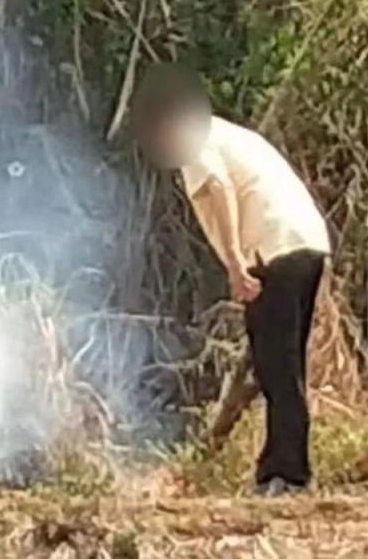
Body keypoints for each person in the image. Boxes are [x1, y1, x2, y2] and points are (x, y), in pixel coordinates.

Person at [131, 64, 331, 497]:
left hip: (273, 249)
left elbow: (219, 187)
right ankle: (280, 469)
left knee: (278, 370)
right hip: (306, 241)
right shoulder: (231, 134)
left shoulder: (192, 137)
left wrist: (237, 264)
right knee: (282, 365)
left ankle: (287, 476)